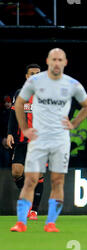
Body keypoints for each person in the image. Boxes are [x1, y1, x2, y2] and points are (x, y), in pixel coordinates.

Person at [10, 48, 87, 232]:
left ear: (65, 62)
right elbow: (19, 104)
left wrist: (74, 123)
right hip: (38, 139)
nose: (56, 62)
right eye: (53, 59)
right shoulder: (35, 82)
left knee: (57, 180)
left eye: (60, 59)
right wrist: (23, 128)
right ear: (48, 61)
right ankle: (21, 221)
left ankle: (50, 223)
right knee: (30, 179)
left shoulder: (72, 84)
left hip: (60, 139)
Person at [6, 64, 44, 220]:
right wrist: (9, 133)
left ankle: (33, 210)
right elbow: (13, 115)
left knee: (39, 174)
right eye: (32, 73)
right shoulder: (19, 93)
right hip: (22, 141)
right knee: (16, 172)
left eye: (38, 73)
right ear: (27, 76)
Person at [68, 99, 87, 167]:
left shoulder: (80, 115)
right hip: (62, 153)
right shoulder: (61, 115)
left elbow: (83, 134)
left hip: (76, 153)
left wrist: (73, 144)